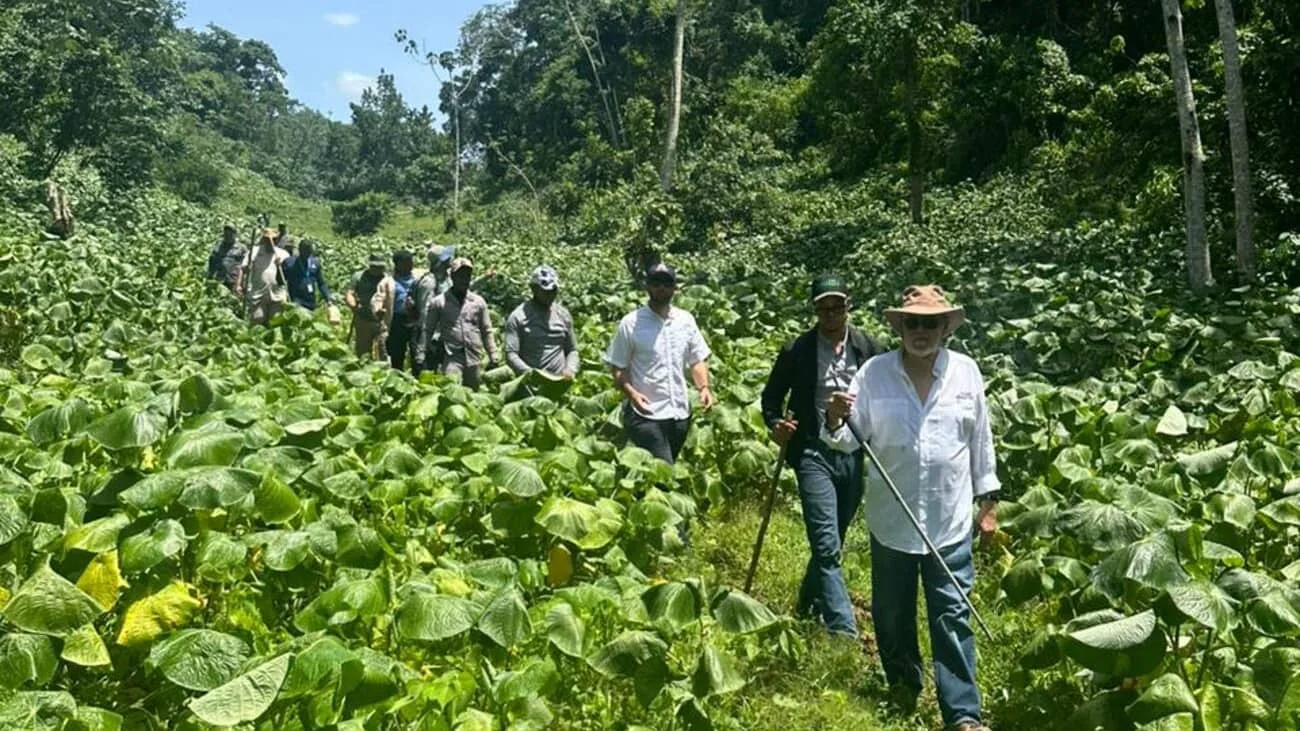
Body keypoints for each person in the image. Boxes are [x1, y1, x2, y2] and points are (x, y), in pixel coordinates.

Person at [823, 284, 999, 731]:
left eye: (930, 323)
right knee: (892, 613)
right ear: (900, 327)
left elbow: (981, 441)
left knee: (952, 615)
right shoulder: (873, 374)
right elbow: (845, 440)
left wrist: (988, 503)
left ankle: (962, 713)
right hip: (892, 521)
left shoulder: (966, 372)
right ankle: (903, 686)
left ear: (945, 328)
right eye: (912, 323)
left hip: (950, 521)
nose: (921, 331)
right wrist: (834, 416)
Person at [761, 273, 882, 638]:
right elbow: (770, 400)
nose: (830, 314)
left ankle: (806, 603)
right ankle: (842, 630)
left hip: (853, 451)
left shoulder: (869, 349)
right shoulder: (797, 350)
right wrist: (776, 425)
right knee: (826, 544)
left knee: (835, 538)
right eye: (822, 308)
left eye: (837, 307)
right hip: (813, 451)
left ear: (848, 306)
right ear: (814, 310)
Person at [605, 262, 713, 464]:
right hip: (645, 413)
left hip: (679, 413)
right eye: (656, 283)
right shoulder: (631, 323)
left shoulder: (685, 320)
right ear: (647, 286)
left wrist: (704, 388)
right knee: (664, 470)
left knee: (657, 472)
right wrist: (632, 394)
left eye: (666, 283)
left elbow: (697, 358)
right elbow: (618, 367)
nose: (661, 288)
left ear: (675, 288)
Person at [416, 257, 498, 388]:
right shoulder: (439, 302)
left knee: (474, 394)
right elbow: (428, 329)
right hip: (451, 356)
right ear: (452, 276)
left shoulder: (478, 302)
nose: (464, 279)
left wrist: (493, 355)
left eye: (467, 276)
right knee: (452, 391)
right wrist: (421, 354)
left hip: (474, 356)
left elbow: (486, 330)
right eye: (460, 276)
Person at [504, 265, 580, 378]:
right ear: (533, 289)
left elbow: (572, 350)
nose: (550, 295)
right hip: (531, 383)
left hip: (560, 381)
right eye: (545, 291)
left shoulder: (563, 315)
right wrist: (530, 374)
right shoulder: (518, 317)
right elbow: (511, 354)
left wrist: (570, 368)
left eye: (554, 290)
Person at [371, 250, 424, 371]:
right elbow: (378, 298)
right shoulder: (388, 282)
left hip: (415, 318)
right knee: (397, 354)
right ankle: (398, 377)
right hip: (397, 320)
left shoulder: (418, 277)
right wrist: (378, 310)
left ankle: (417, 377)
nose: (410, 265)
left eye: (411, 262)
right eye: (407, 263)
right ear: (398, 264)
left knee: (417, 352)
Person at [240, 228, 290, 325]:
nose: (270, 243)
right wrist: (240, 284)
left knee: (275, 322)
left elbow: (287, 274)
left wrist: (280, 265)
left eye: (273, 240)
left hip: (277, 295)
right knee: (257, 319)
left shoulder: (283, 254)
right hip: (259, 293)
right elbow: (243, 268)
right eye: (268, 240)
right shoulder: (255, 251)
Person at [345, 254, 387, 359]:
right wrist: (353, 306)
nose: (378, 270)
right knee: (363, 353)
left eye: (380, 267)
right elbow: (350, 292)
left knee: (383, 352)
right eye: (375, 267)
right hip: (363, 318)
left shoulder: (386, 279)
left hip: (381, 321)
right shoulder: (359, 276)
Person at [284, 239, 334, 311]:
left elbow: (321, 283)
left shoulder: (315, 263)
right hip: (295, 300)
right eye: (305, 251)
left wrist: (328, 298)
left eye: (309, 252)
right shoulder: (290, 263)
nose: (307, 254)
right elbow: (280, 281)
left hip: (310, 301)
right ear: (300, 250)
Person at [206, 224, 247, 293]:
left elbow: (245, 266)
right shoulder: (218, 247)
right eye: (226, 233)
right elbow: (211, 263)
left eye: (230, 234)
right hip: (219, 281)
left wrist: (241, 284)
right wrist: (209, 278)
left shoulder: (241, 249)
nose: (228, 236)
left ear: (234, 234)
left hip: (234, 282)